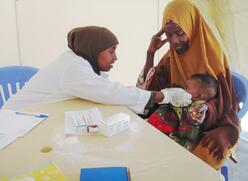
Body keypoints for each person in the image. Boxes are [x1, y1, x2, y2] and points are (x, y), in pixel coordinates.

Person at [137, 0, 240, 170]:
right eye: (169, 35)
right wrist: (150, 54)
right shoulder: (171, 57)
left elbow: (226, 104)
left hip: (210, 122)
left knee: (197, 159)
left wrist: (205, 108)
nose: (175, 41)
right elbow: (148, 90)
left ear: (192, 25)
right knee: (149, 142)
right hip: (175, 115)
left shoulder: (213, 57)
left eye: (179, 33)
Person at [3, 26, 192, 115]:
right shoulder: (73, 69)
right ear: (93, 49)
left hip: (31, 118)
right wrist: (164, 96)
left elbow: (107, 89)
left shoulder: (78, 61)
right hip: (16, 126)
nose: (115, 57)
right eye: (111, 51)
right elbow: (109, 92)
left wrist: (150, 54)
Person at [148, 74, 218, 151]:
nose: (183, 89)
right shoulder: (180, 98)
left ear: (197, 96)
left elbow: (186, 138)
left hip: (165, 141)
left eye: (186, 87)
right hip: (151, 130)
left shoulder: (195, 112)